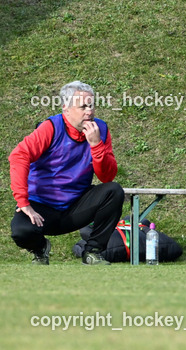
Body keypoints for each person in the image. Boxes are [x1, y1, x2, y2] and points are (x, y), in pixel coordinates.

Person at [9, 81, 124, 265]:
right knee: (20, 231)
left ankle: (93, 252)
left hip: (76, 207)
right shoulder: (51, 127)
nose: (90, 111)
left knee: (113, 191)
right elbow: (19, 156)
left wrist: (96, 145)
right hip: (41, 208)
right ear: (66, 108)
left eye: (92, 105)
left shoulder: (100, 130)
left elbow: (107, 176)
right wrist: (23, 202)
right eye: (83, 107)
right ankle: (40, 249)